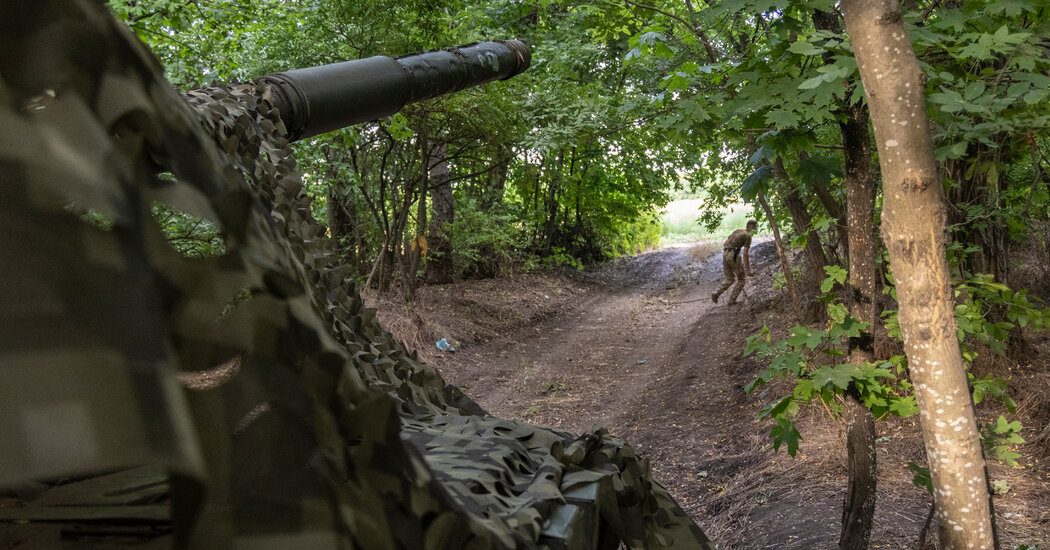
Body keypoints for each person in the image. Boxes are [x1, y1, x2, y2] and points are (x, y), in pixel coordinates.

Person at [712, 220, 757, 305]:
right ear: (752, 227)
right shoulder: (748, 236)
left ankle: (716, 293)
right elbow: (745, 254)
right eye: (755, 227)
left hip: (725, 254)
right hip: (733, 255)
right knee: (742, 279)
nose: (756, 229)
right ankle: (732, 300)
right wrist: (748, 270)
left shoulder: (738, 231)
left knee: (730, 279)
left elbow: (725, 243)